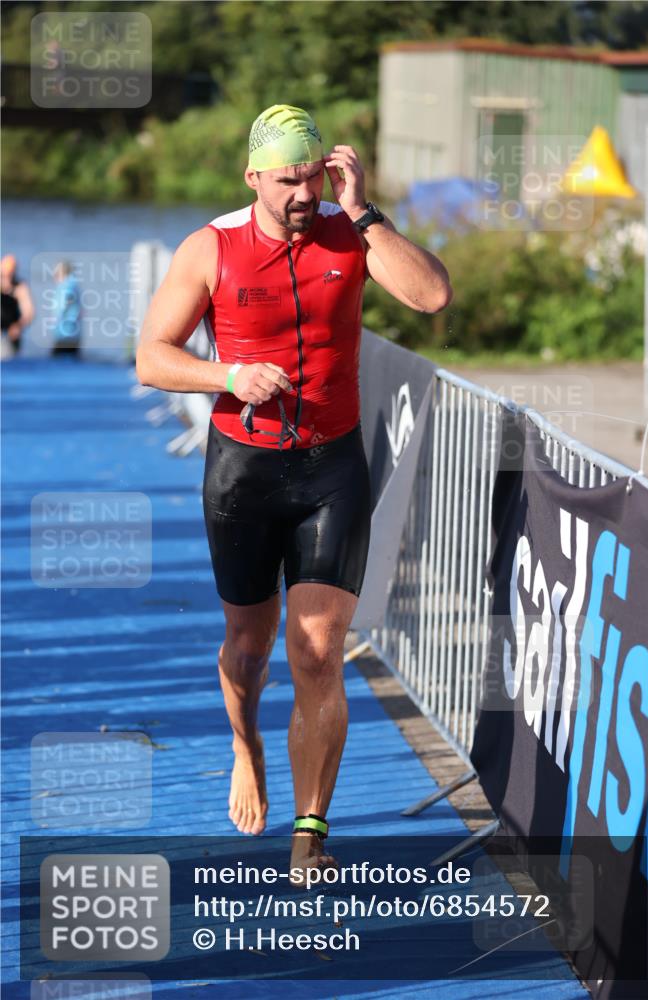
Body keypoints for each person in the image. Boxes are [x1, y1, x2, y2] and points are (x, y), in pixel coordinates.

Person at [136, 104, 452, 879]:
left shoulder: (350, 232)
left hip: (329, 471)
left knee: (316, 651)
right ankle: (245, 746)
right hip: (243, 473)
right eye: (286, 181)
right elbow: (151, 356)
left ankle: (310, 832)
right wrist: (229, 375)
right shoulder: (211, 247)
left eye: (312, 176)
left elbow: (431, 297)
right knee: (248, 649)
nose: (303, 192)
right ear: (252, 178)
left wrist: (362, 208)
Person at [1, 255, 35, 358]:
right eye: (4, 275)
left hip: (11, 335)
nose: (7, 279)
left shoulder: (20, 288)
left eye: (10, 275)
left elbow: (29, 312)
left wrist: (18, 326)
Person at [51, 261, 82, 357]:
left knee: (57, 359)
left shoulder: (68, 284)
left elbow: (67, 298)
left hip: (65, 333)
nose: (54, 276)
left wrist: (58, 316)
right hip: (72, 332)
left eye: (56, 273)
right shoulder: (73, 284)